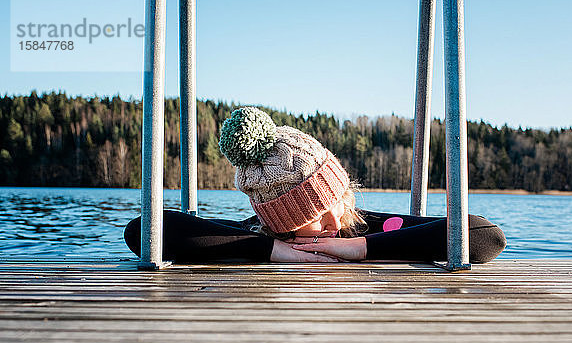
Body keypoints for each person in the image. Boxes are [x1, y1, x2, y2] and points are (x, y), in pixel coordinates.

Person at [124, 107, 506, 263]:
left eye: (332, 203)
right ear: (281, 225)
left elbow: (485, 235)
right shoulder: (258, 235)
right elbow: (143, 230)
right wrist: (277, 251)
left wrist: (360, 247)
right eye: (312, 216)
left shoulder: (359, 225)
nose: (330, 224)